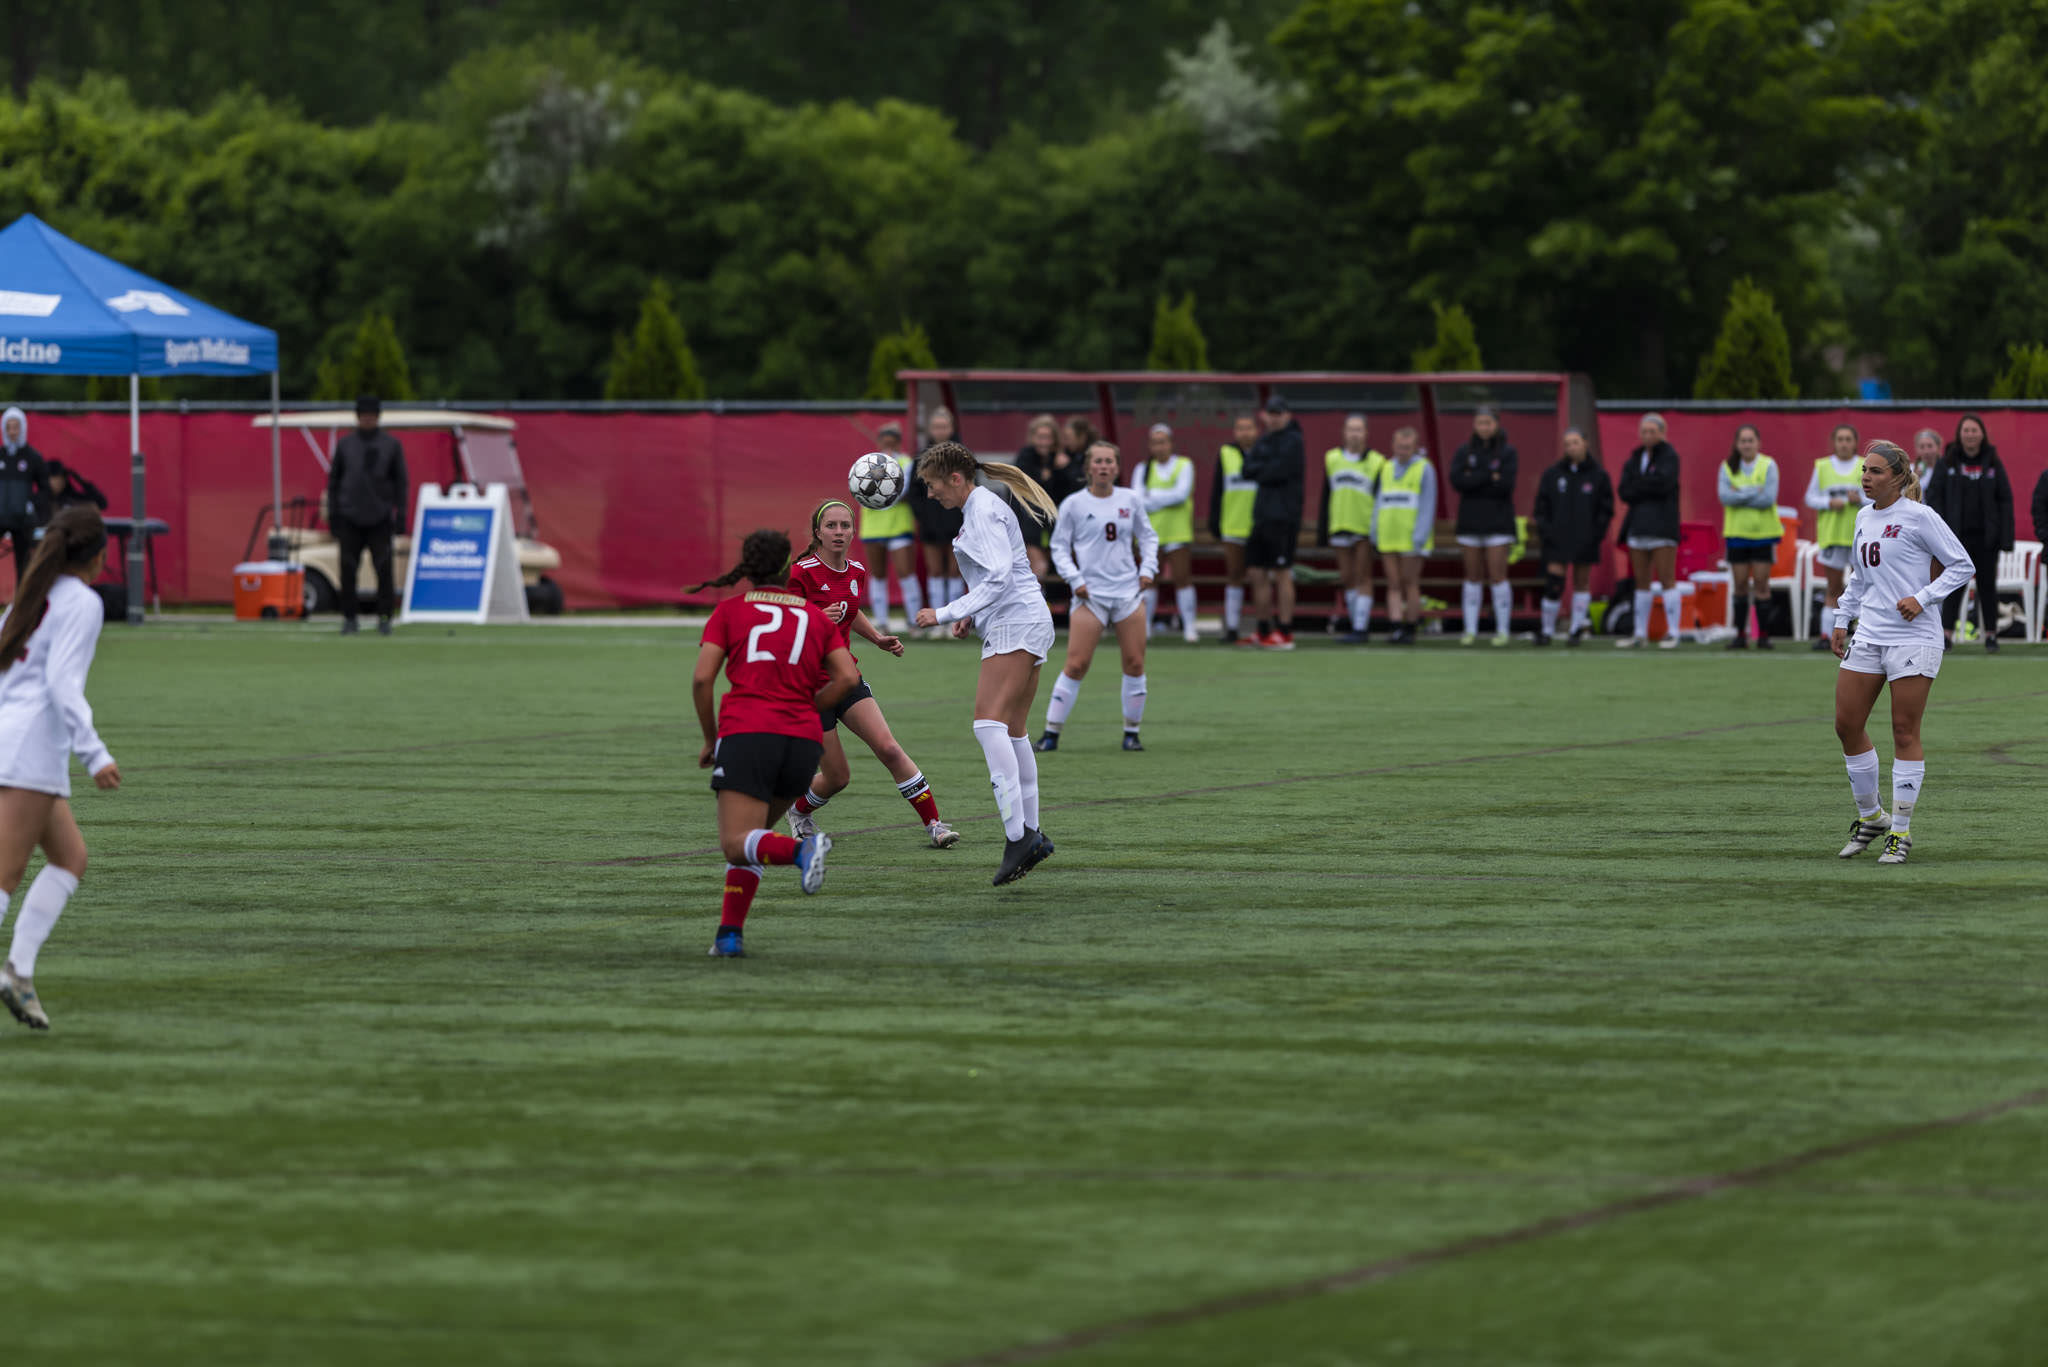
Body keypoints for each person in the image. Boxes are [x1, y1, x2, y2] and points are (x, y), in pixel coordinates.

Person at [689, 528, 856, 958]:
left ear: (747, 567)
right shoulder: (814, 616)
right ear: (787, 567)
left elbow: (703, 677)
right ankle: (728, 935)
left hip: (749, 732)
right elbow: (848, 678)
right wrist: (809, 705)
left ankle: (805, 851)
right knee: (753, 837)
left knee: (735, 840)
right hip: (802, 742)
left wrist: (711, 739)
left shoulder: (730, 611)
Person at [910, 443, 1061, 886]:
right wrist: (974, 615)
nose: (931, 494)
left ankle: (1018, 837)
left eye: (933, 485)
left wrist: (945, 612)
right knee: (1013, 729)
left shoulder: (982, 510)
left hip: (1017, 622)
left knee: (987, 725)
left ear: (955, 478)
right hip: (1023, 620)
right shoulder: (980, 507)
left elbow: (999, 576)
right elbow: (997, 575)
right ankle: (1031, 833)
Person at [0, 507, 120, 1028]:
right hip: (29, 748)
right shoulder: (82, 602)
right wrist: (95, 753)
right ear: (97, 556)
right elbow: (61, 684)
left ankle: (18, 973)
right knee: (3, 877)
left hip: (14, 737)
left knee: (70, 857)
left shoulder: (31, 595)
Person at [783, 500, 959, 849]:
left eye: (844, 526)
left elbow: (852, 610)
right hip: (810, 690)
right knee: (837, 777)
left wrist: (877, 638)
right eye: (831, 526)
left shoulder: (857, 571)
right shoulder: (800, 572)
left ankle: (935, 825)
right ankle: (798, 811)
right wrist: (818, 619)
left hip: (846, 679)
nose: (838, 532)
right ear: (817, 532)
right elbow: (786, 627)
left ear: (853, 531)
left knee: (889, 747)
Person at [1831, 440, 1974, 866]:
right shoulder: (1862, 517)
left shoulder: (1920, 516)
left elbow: (1962, 564)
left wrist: (1924, 597)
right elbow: (1859, 576)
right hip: (1871, 633)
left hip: (1914, 637)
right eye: (1863, 470)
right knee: (1846, 724)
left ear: (1897, 476)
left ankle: (1901, 831)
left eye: (1875, 471)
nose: (1865, 478)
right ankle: (1872, 817)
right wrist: (1843, 617)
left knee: (1904, 732)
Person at [1039, 441, 1158, 752]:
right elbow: (1059, 547)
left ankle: (1131, 733)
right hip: (1090, 595)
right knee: (1076, 664)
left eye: (1109, 462)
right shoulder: (1074, 504)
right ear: (1088, 467)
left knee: (1134, 663)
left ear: (1117, 467)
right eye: (1098, 461)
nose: (1104, 467)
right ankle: (1051, 733)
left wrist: (1148, 569)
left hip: (1127, 593)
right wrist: (1075, 579)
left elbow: (1148, 537)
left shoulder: (1130, 499)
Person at [1926, 413, 2015, 653]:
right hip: (1955, 539)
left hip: (1987, 539)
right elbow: (1934, 497)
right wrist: (1939, 532)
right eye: (1966, 430)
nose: (1970, 435)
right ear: (1959, 434)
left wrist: (2005, 538)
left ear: (1982, 434)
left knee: (1987, 587)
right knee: (1954, 587)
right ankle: (1946, 635)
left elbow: (2005, 499)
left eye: (1974, 430)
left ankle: (1991, 636)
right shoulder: (1948, 462)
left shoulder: (1993, 462)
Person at [326, 394, 408, 635]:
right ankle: (349, 618)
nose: (368, 420)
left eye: (372, 416)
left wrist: (400, 513)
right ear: (358, 417)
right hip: (350, 517)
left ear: (378, 417)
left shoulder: (391, 445)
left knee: (383, 569)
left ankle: (384, 618)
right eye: (364, 416)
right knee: (348, 570)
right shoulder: (345, 445)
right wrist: (334, 515)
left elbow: (401, 482)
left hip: (380, 518)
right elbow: (334, 482)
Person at [1531, 427, 1612, 646]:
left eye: (1575, 443)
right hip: (1557, 539)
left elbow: (1605, 510)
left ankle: (1576, 629)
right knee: (1554, 582)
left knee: (1581, 581)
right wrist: (1547, 531)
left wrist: (1596, 534)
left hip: (1585, 539)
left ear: (1585, 444)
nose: (1571, 448)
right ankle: (1547, 630)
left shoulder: (1598, 475)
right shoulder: (1553, 474)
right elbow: (1541, 506)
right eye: (1567, 444)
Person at [1449, 407, 1520, 646]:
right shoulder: (1464, 451)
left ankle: (1503, 630)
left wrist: (1475, 477)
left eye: (1488, 422)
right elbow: (1458, 481)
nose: (1484, 427)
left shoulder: (1508, 452)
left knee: (1498, 576)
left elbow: (1505, 485)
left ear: (1496, 424)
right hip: (1470, 522)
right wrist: (1489, 475)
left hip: (1498, 523)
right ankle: (1470, 629)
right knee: (1472, 576)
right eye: (1480, 422)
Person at [1241, 395, 1305, 649]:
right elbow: (1247, 469)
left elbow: (1278, 471)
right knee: (1256, 571)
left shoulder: (1294, 440)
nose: (1275, 417)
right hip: (1262, 515)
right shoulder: (1264, 440)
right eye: (1271, 413)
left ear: (1287, 415)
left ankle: (1286, 630)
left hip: (1284, 516)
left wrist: (1263, 469)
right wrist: (1265, 469)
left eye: (1279, 413)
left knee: (1281, 571)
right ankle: (1264, 628)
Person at [1615, 412, 1683, 650]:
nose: (1647, 435)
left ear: (1662, 433)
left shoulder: (1670, 457)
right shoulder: (1634, 458)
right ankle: (1640, 633)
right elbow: (1624, 490)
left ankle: (1673, 632)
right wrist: (1646, 484)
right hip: (1638, 526)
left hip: (1662, 526)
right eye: (1644, 431)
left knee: (1666, 579)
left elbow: (1664, 484)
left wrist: (1640, 485)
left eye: (1652, 431)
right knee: (1641, 581)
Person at [1318, 414, 1384, 644]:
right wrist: (1323, 529)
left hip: (1364, 527)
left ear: (1366, 433)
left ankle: (1361, 627)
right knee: (1347, 577)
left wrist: (1377, 531)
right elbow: (1326, 495)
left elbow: (1380, 499)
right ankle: (1355, 621)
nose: (1354, 434)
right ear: (1343, 432)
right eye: (1350, 429)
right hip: (1339, 525)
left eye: (1359, 430)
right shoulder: (1332, 458)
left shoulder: (1376, 461)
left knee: (1363, 576)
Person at [1132, 423, 1199, 643]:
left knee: (1182, 578)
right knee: (1150, 580)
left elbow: (1181, 494)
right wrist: (1159, 497)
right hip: (1151, 533)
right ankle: (1145, 626)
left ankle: (1189, 627)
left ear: (1171, 444)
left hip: (1178, 531)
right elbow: (1137, 499)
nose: (1159, 447)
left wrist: (1153, 496)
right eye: (1155, 443)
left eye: (1163, 442)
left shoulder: (1184, 464)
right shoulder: (1142, 469)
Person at [1720, 424, 1783, 650]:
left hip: (1763, 534)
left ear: (1758, 443)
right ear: (1737, 444)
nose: (1747, 445)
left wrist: (1740, 494)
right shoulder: (1728, 467)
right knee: (1739, 585)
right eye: (1743, 441)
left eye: (1750, 440)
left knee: (1761, 584)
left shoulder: (1768, 465)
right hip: (1737, 534)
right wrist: (1751, 492)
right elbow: (1725, 497)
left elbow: (1767, 499)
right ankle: (1740, 635)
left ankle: (1763, 636)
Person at [1804, 423, 1864, 653]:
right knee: (1833, 588)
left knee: (1864, 587)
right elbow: (1810, 498)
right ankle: (1826, 634)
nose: (1844, 443)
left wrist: (1858, 499)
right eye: (1840, 439)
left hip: (1858, 536)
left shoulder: (1863, 465)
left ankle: (1861, 633)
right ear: (1834, 442)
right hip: (1832, 535)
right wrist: (1829, 503)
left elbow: (1874, 498)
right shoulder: (1822, 466)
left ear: (1855, 442)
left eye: (1848, 439)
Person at [857, 420, 921, 633]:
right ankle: (881, 622)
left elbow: (903, 492)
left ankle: (915, 621)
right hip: (873, 527)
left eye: (893, 442)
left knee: (906, 573)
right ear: (879, 441)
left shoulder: (906, 462)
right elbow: (859, 489)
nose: (888, 446)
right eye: (885, 441)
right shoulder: (867, 463)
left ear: (899, 442)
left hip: (898, 526)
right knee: (878, 575)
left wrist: (881, 491)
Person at [1374, 427, 1435, 645]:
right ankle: (1395, 626)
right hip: (1388, 534)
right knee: (1393, 583)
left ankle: (1410, 626)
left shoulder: (1424, 468)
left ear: (1415, 447)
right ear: (1393, 445)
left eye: (1407, 447)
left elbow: (1428, 504)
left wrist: (1421, 533)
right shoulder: (1387, 467)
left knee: (1410, 582)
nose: (1403, 451)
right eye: (1399, 446)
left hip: (1411, 536)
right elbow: (1379, 500)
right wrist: (1375, 528)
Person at [911, 407, 965, 636]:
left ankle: (952, 621)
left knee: (955, 571)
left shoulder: (962, 455)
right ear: (930, 430)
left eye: (944, 426)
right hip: (931, 525)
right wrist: (925, 516)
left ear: (951, 429)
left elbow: (971, 486)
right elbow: (914, 493)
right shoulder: (922, 456)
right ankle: (936, 623)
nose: (940, 431)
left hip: (956, 523)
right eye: (936, 427)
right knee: (935, 571)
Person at [1207, 414, 1261, 642]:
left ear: (1256, 430)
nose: (1245, 433)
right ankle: (1231, 628)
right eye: (1240, 428)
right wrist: (1215, 523)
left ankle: (1263, 628)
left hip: (1258, 526)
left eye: (1249, 428)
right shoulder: (1226, 453)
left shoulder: (1264, 452)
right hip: (1232, 525)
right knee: (1235, 576)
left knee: (1260, 578)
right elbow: (1217, 490)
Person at [0, 408, 52, 590]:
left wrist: (32, 505)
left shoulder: (33, 457)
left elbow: (45, 488)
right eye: (9, 427)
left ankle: (22, 603)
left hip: (22, 520)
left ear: (23, 429)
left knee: (23, 563)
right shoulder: (1, 455)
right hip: (1, 517)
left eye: (16, 427)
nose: (12, 432)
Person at [1012, 415, 1063, 579]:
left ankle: (1046, 603)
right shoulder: (1025, 458)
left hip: (1051, 525)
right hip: (1029, 525)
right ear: (1032, 438)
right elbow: (1030, 490)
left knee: (1049, 569)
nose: (1044, 442)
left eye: (1048, 437)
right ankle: (1035, 604)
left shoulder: (1059, 460)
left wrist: (1062, 468)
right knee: (1038, 567)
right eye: (1040, 437)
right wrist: (1045, 478)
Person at [43, 460, 108, 512]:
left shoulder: (72, 498)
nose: (57, 485)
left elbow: (102, 504)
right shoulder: (41, 499)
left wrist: (81, 480)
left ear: (65, 480)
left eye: (60, 481)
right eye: (53, 481)